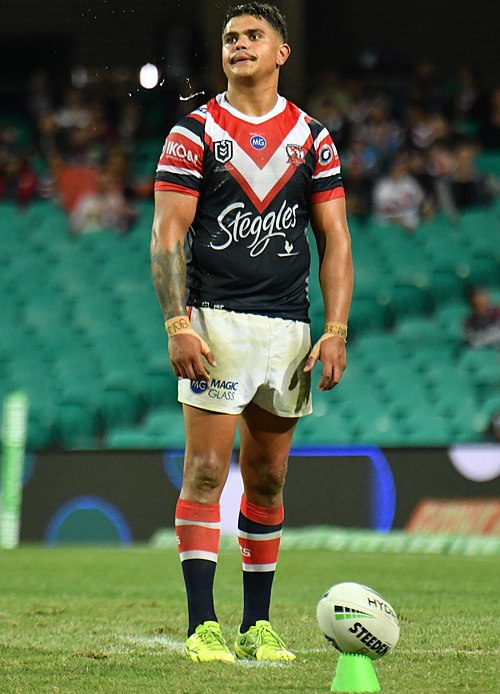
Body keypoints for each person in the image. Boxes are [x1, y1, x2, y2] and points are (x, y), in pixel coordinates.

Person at [150, 2, 353, 664]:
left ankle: (257, 625)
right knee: (206, 469)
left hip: (289, 328)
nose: (238, 45)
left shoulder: (314, 138)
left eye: (252, 36)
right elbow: (167, 235)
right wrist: (177, 321)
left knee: (267, 479)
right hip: (217, 322)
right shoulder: (195, 132)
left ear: (281, 53)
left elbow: (336, 239)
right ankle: (202, 625)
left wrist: (337, 328)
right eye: (230, 37)